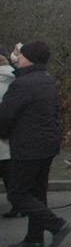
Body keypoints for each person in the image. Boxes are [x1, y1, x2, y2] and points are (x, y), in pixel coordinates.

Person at [1, 41, 71, 247]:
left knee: (17, 194)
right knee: (37, 192)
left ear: (30, 58)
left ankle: (56, 224)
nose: (18, 58)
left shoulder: (23, 83)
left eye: (21, 55)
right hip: (46, 144)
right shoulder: (46, 79)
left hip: (28, 145)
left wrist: (4, 134)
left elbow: (5, 115)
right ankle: (34, 238)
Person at [0, 54, 23, 218]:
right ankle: (18, 204)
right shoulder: (15, 78)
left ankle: (19, 203)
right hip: (13, 132)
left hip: (4, 133)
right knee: (10, 171)